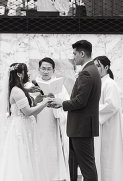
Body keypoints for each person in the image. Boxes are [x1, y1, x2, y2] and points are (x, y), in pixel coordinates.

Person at [0, 62, 52, 181]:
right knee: (20, 159)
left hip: (24, 127)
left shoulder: (19, 89)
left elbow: (26, 107)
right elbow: (27, 112)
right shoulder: (17, 91)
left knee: (27, 158)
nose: (28, 74)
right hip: (20, 129)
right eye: (26, 72)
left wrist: (37, 101)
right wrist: (45, 103)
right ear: (19, 74)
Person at [48, 40, 101, 181]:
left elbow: (80, 101)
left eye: (74, 54)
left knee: (86, 166)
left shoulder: (87, 73)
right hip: (81, 127)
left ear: (82, 54)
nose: (73, 57)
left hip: (81, 127)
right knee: (74, 164)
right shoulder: (92, 70)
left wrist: (62, 103)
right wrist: (61, 104)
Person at [34, 57, 69, 181]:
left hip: (52, 121)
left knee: (52, 149)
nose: (46, 71)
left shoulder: (59, 86)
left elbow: (66, 103)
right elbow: (27, 105)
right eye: (43, 68)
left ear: (53, 70)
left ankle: (53, 176)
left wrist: (57, 102)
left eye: (49, 69)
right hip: (37, 121)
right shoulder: (32, 86)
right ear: (39, 69)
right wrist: (36, 100)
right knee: (38, 148)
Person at [93, 56, 123, 181]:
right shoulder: (99, 83)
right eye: (94, 66)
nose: (95, 69)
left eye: (98, 66)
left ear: (106, 67)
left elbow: (112, 105)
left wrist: (91, 110)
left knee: (109, 159)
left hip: (109, 127)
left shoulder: (110, 84)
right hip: (101, 126)